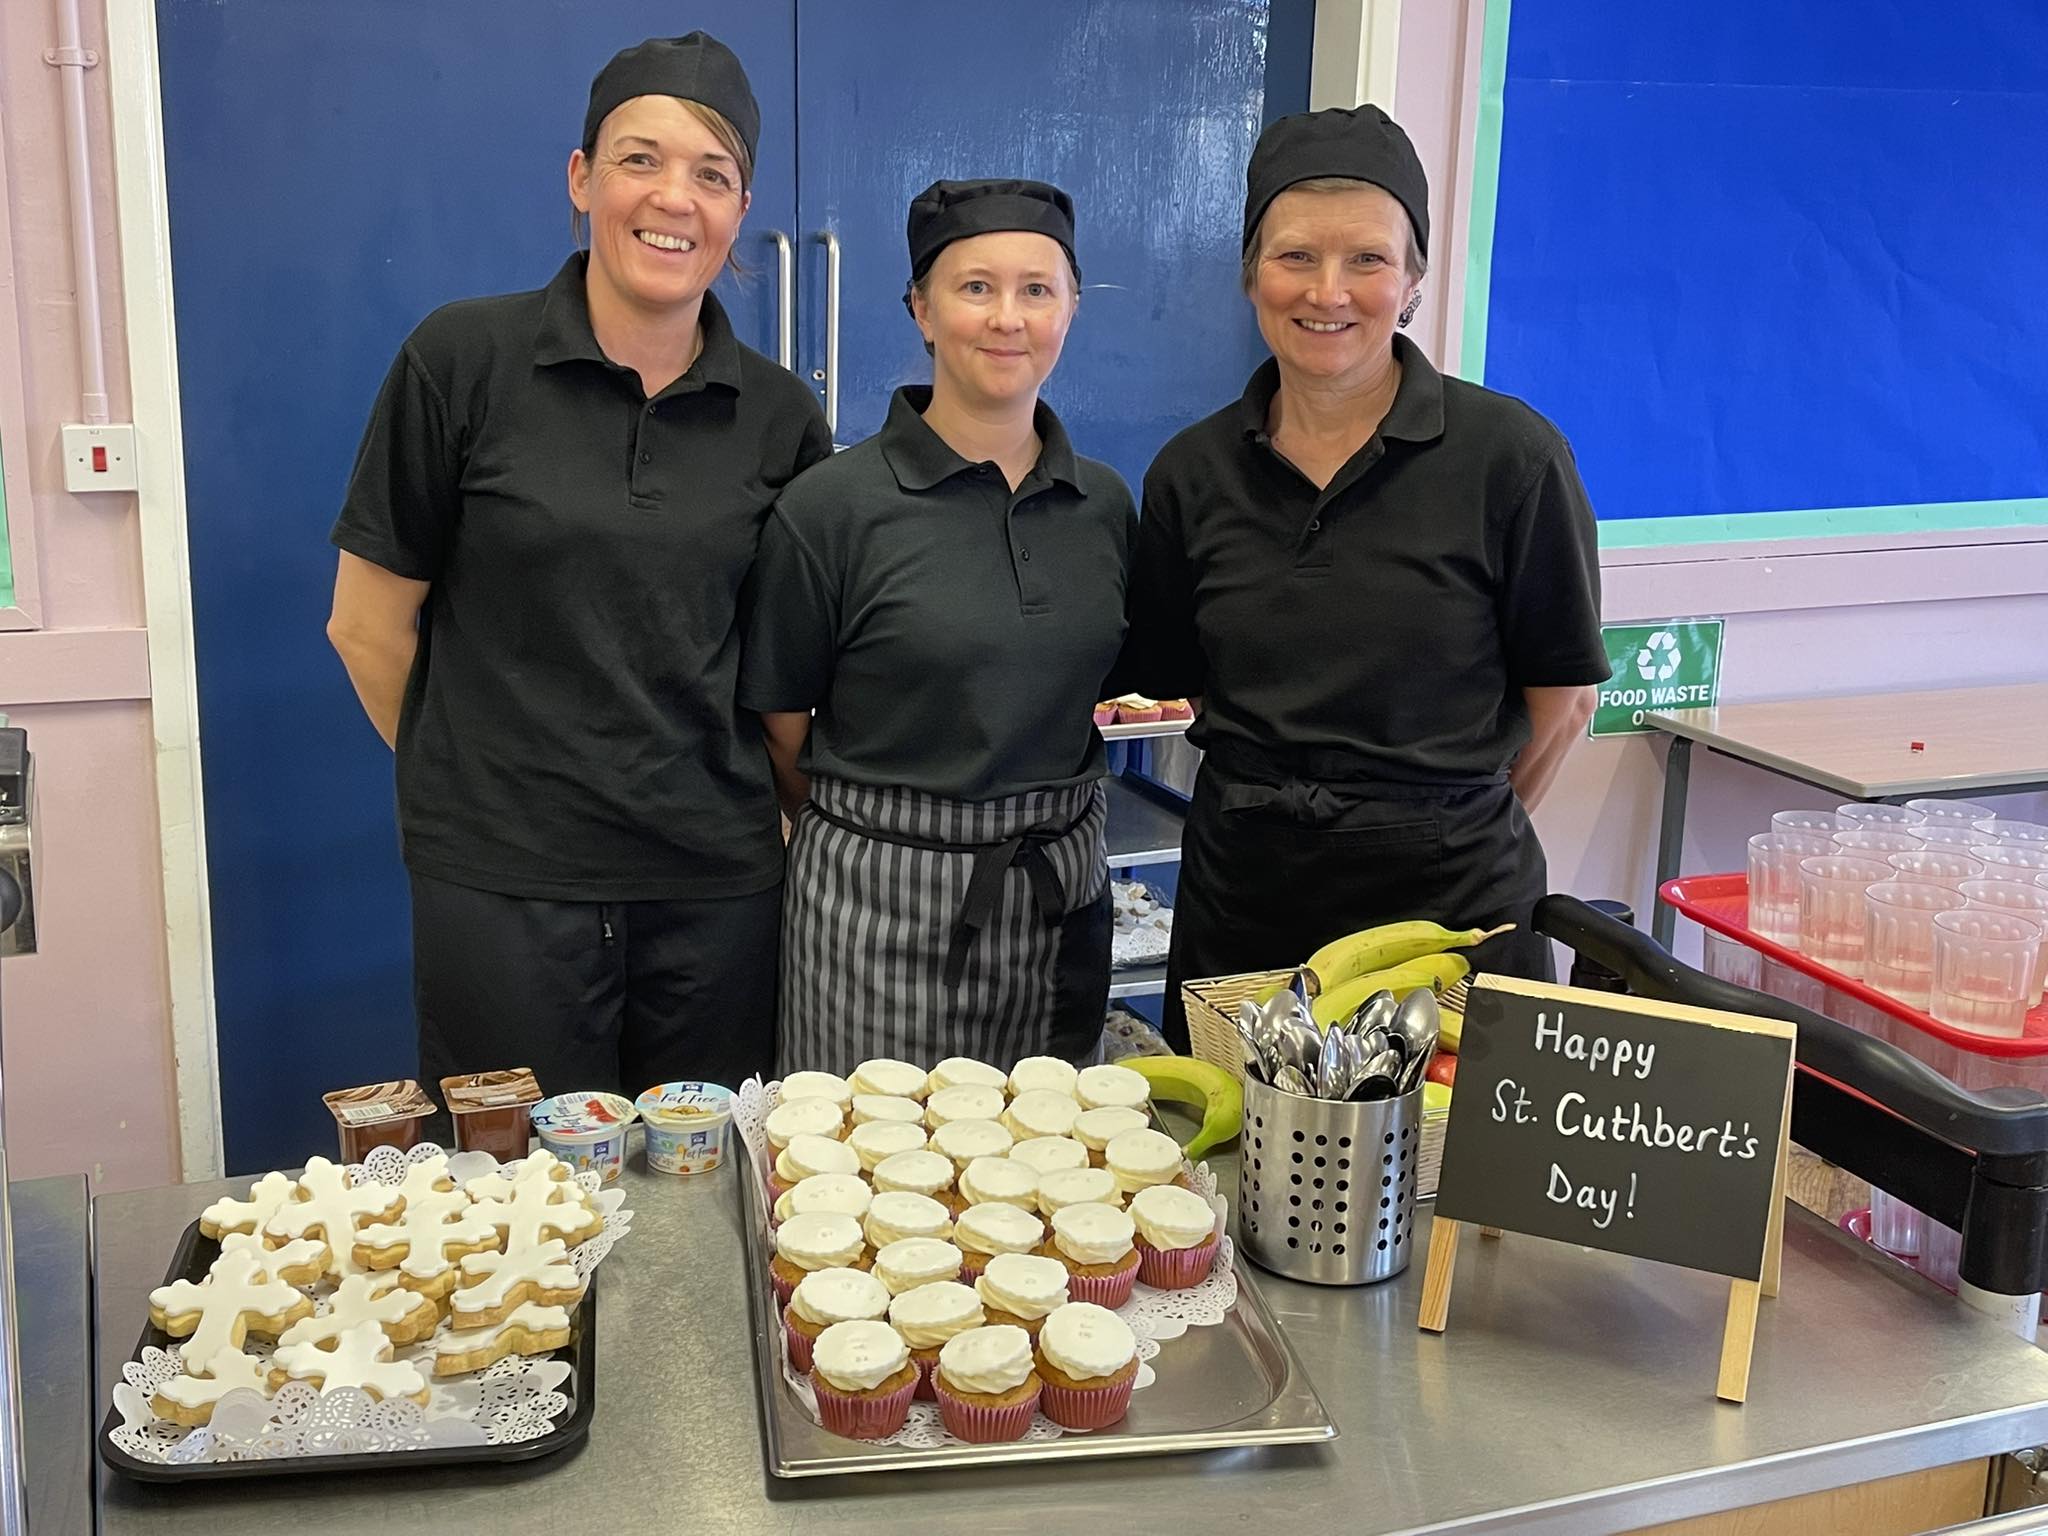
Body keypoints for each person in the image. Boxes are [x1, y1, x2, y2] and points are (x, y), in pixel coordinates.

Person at [327, 34, 832, 1104]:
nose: (673, 199)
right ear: (580, 178)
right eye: (639, 159)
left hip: (715, 888)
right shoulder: (460, 362)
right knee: (518, 1215)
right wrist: (479, 788)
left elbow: (782, 663)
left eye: (711, 174)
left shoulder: (781, 417)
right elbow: (366, 626)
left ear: (742, 210)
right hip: (504, 892)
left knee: (698, 1210)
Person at [1118, 106, 1608, 1047]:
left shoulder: (1511, 458)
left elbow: (1561, 709)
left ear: (1415, 279)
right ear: (1251, 272)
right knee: (1223, 1177)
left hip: (1452, 915)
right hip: (1246, 901)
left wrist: (1440, 821)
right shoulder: (1192, 472)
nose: (1329, 292)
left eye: (1369, 260)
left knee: (1442, 1178)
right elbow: (1178, 672)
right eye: (1295, 256)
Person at [739, 179, 1135, 1074]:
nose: (1008, 317)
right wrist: (899, 834)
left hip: (1056, 898)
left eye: (1038, 289)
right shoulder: (831, 508)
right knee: (862, 1189)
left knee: (1049, 1188)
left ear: (1070, 308)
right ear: (921, 309)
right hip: (879, 907)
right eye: (974, 287)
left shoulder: (1103, 503)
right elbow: (781, 719)